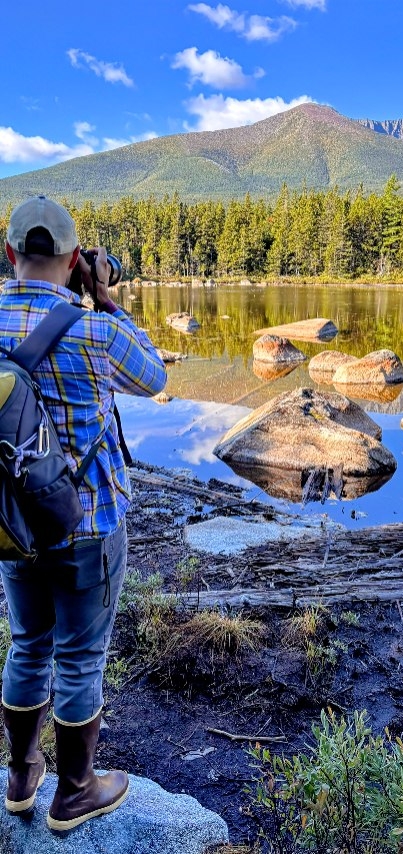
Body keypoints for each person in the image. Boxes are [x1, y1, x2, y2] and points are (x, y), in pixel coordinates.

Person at [0, 195, 167, 831]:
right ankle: (75, 792)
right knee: (78, 657)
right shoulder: (96, 331)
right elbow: (152, 376)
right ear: (74, 262)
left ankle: (20, 778)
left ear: (11, 254)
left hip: (12, 525)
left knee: (27, 643)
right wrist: (108, 298)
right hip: (88, 525)